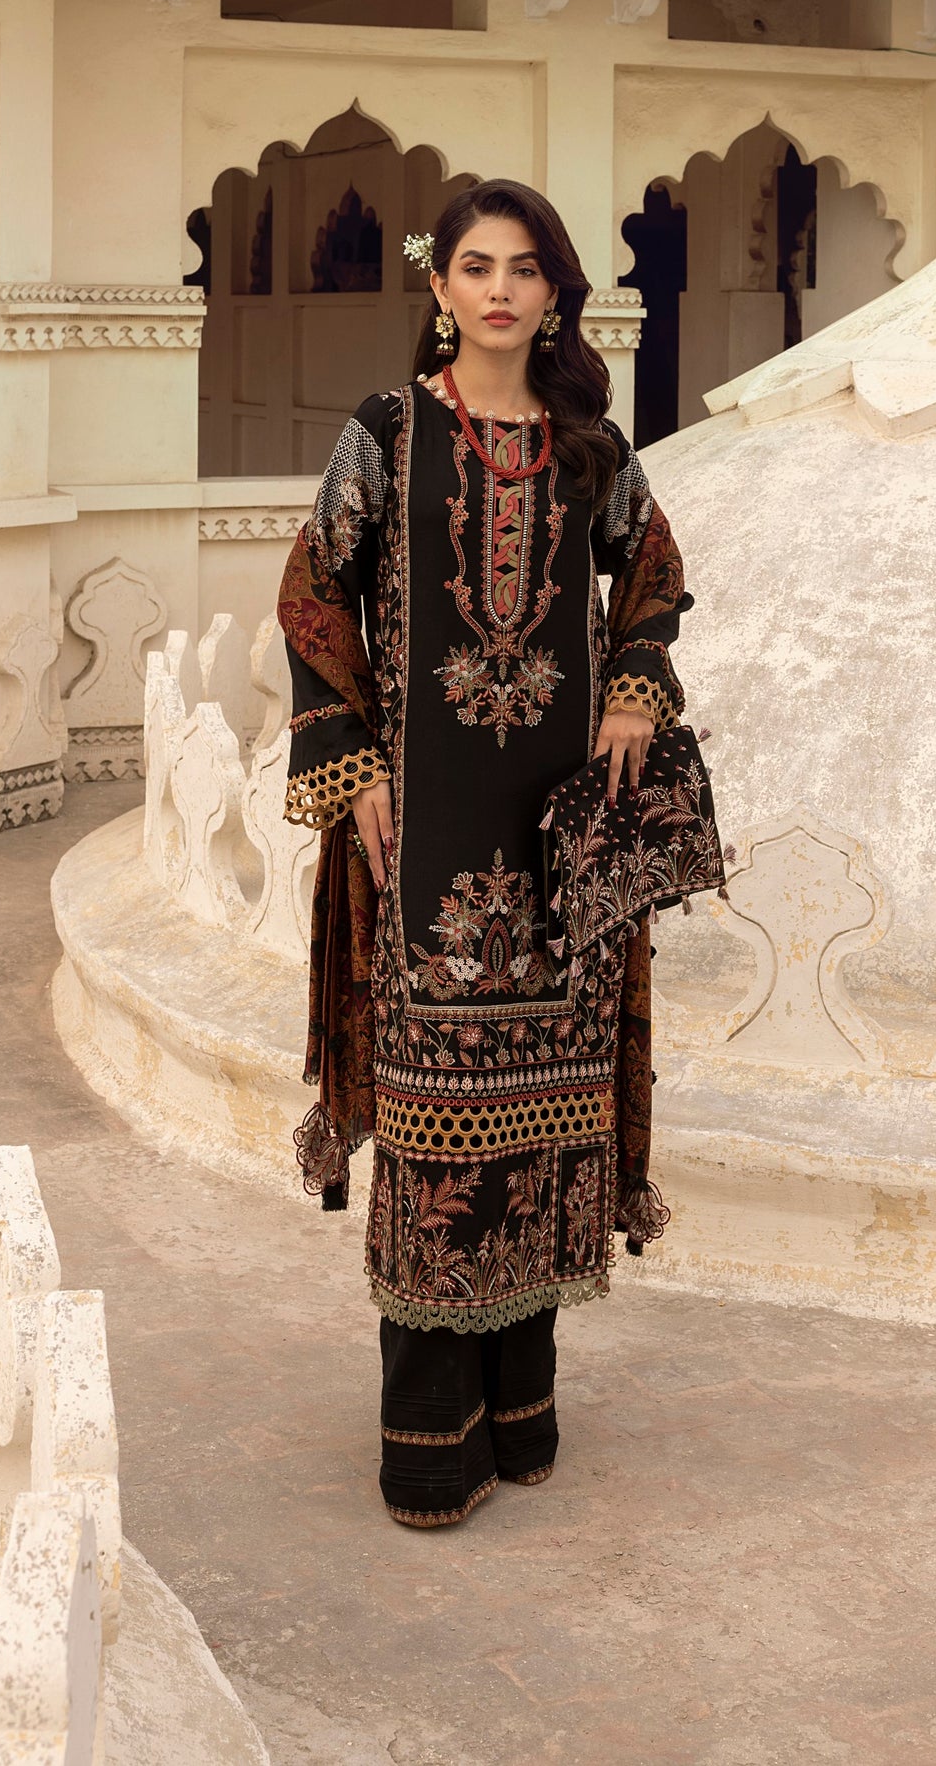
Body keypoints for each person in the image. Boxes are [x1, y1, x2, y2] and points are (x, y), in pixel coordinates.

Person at [277, 178, 690, 1528]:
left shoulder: (587, 443)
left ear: (555, 291)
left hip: (558, 832)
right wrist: (349, 763)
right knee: (433, 1110)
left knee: (548, 1117)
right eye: (474, 265)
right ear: (440, 288)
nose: (500, 287)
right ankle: (430, 1439)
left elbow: (652, 577)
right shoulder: (388, 435)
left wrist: (635, 681)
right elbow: (309, 588)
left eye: (523, 267)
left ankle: (522, 1410)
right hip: (431, 829)